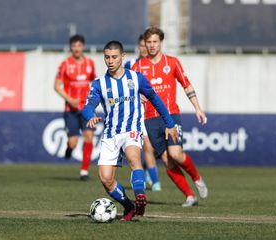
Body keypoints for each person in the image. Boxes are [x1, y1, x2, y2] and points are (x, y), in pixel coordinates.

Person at [82, 40, 179, 221]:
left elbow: (155, 99)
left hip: (132, 129)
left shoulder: (136, 78)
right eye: (107, 57)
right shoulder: (99, 84)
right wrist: (90, 117)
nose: (110, 61)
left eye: (114, 57)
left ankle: (140, 195)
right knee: (105, 179)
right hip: (111, 133)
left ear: (122, 57)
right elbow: (87, 107)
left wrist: (170, 122)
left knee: (134, 158)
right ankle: (129, 206)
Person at [132, 27, 208, 207]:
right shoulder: (138, 67)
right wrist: (137, 95)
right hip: (150, 119)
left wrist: (197, 108)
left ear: (161, 42)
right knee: (167, 161)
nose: (151, 45)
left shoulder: (172, 63)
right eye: (148, 42)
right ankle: (189, 196)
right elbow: (131, 91)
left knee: (176, 153)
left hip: (171, 115)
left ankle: (197, 178)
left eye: (155, 42)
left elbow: (186, 85)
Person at [54, 34, 96, 181]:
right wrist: (69, 99)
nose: (76, 49)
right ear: (71, 47)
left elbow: (94, 84)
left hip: (86, 108)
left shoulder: (90, 64)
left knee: (89, 136)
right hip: (70, 110)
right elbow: (56, 86)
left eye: (79, 46)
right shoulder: (65, 65)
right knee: (73, 141)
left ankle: (84, 171)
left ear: (83, 47)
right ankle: (69, 148)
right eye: (74, 46)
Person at [125, 34, 161, 191]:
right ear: (138, 47)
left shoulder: (155, 65)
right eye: (142, 45)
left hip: (151, 113)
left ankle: (153, 180)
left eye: (147, 45)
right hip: (135, 115)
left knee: (149, 148)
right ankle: (148, 178)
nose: (145, 48)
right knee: (139, 149)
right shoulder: (130, 64)